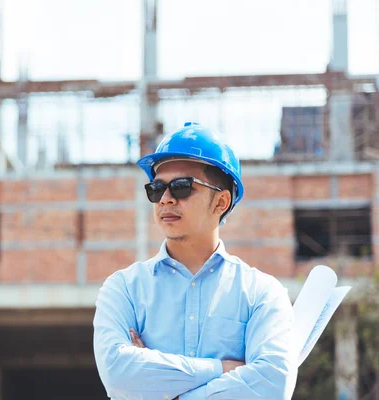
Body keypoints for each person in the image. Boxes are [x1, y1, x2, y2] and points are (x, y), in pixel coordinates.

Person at [93, 122, 297, 399]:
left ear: (221, 202)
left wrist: (163, 388)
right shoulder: (124, 289)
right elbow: (119, 375)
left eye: (181, 187)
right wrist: (223, 369)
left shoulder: (261, 292)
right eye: (156, 188)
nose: (165, 199)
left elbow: (272, 386)